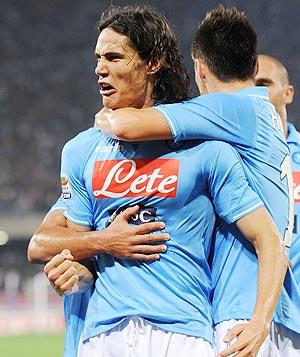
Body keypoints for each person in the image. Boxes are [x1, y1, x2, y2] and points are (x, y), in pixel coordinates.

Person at [53, 5, 288, 357]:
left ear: (199, 68)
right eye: (99, 58)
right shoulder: (264, 121)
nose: (100, 69)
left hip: (225, 318)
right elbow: (47, 245)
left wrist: (107, 119)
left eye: (114, 57)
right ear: (253, 69)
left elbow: (126, 125)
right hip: (112, 333)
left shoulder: (221, 122)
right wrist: (101, 245)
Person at [256, 54, 300, 355]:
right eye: (251, 83)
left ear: (288, 93)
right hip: (244, 312)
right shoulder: (228, 154)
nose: (256, 91)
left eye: (265, 83)